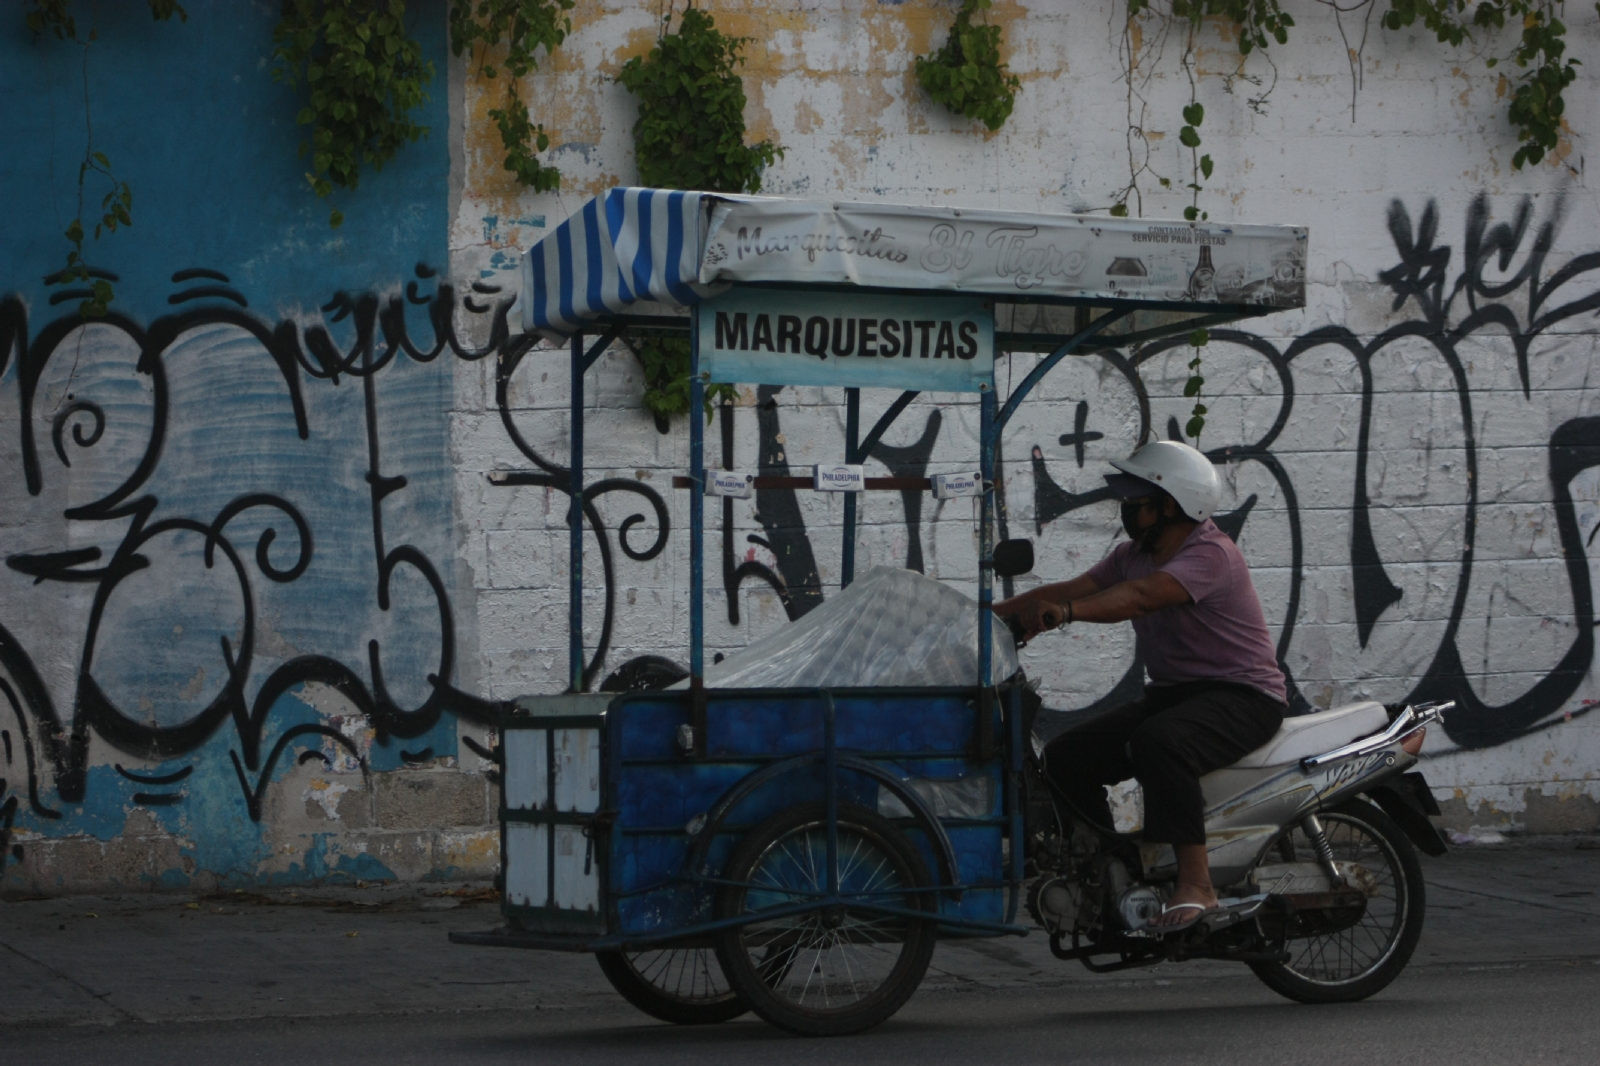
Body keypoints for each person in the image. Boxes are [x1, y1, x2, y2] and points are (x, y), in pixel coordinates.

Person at [994, 440, 1287, 931]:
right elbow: (1066, 590)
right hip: (1176, 694)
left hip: (1243, 696)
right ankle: (1109, 871)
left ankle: (1197, 885)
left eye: (1136, 501)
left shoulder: (1210, 554)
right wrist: (986, 618)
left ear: (1170, 505)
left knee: (1161, 743)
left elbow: (1141, 598)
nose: (1127, 510)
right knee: (1067, 756)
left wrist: (1063, 616)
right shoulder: (1132, 554)